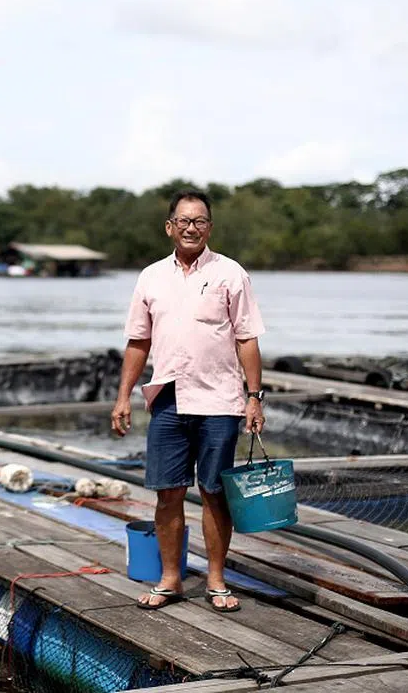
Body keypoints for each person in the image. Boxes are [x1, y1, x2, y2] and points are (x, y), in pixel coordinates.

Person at [111, 190, 266, 613]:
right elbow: (138, 341)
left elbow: (247, 338)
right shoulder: (151, 277)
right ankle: (171, 579)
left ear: (209, 228)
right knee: (168, 493)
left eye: (199, 221)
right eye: (183, 221)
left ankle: (216, 580)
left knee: (215, 493)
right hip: (167, 398)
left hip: (219, 401)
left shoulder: (230, 273)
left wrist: (254, 398)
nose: (191, 228)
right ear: (170, 227)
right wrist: (123, 397)